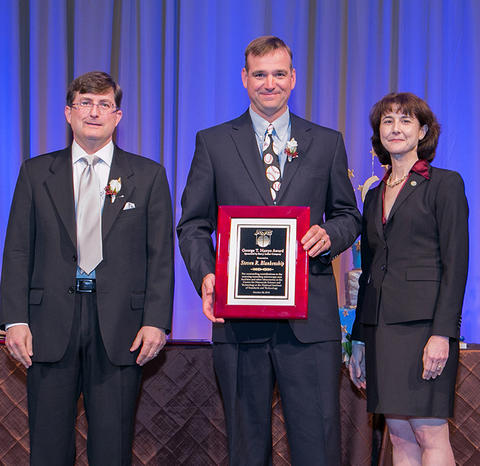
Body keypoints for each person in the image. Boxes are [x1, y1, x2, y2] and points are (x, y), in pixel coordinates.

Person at [177, 36, 361, 465]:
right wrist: (208, 275)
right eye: (260, 74)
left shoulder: (327, 141)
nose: (269, 83)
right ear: (244, 79)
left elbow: (349, 216)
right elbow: (192, 225)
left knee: (318, 444)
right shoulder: (214, 142)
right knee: (245, 446)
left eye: (279, 74)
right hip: (239, 322)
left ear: (293, 79)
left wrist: (329, 236)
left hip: (310, 323)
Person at [0, 71, 174, 465]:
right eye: (85, 103)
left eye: (104, 105)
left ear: (118, 116)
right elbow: (16, 251)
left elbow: (159, 255)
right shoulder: (34, 172)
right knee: (47, 446)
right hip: (47, 324)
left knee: (113, 448)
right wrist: (14, 319)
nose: (94, 112)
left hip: (121, 327)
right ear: (68, 113)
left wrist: (156, 320)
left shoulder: (147, 176)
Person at [349, 92, 468, 466]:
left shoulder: (444, 184)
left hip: (423, 330)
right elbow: (369, 272)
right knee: (400, 439)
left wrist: (442, 333)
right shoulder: (373, 194)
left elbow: (456, 264)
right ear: (378, 133)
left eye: (405, 120)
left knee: (430, 434)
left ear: (423, 131)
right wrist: (359, 339)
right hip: (381, 331)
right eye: (387, 121)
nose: (395, 128)